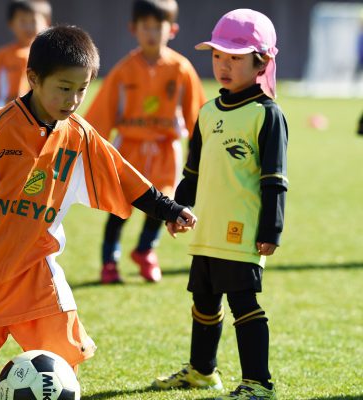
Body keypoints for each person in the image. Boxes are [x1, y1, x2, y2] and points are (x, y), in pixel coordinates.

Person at [0, 26, 197, 399]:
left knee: (62, 334)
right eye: (63, 87)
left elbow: (125, 177)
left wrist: (168, 209)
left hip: (33, 258)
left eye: (81, 89)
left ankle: (57, 390)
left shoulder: (79, 135)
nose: (73, 99)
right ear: (34, 79)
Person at [151, 9, 287, 400]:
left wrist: (271, 230)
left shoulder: (267, 115)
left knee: (244, 301)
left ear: (260, 61)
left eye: (235, 58)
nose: (223, 66)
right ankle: (202, 371)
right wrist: (177, 209)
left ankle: (259, 382)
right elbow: (191, 172)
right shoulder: (208, 112)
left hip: (241, 230)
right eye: (217, 56)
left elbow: (275, 179)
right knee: (204, 299)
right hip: (206, 228)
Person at [85, 0, 205, 284]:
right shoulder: (123, 71)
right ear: (133, 29)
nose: (151, 33)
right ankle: (109, 262)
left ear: (172, 29)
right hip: (129, 150)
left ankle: (145, 250)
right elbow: (100, 115)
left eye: (158, 26)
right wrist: (89, 149)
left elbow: (197, 118)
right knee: (120, 208)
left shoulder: (181, 69)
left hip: (166, 151)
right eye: (145, 27)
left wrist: (198, 150)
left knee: (163, 203)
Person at [0, 0, 51, 113]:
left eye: (33, 21)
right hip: (5, 117)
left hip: (37, 120)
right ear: (11, 24)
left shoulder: (51, 56)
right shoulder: (2, 56)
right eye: (22, 21)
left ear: (46, 22)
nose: (28, 26)